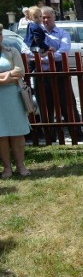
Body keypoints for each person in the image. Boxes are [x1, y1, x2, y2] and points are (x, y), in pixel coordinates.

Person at [39, 6, 83, 139]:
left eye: (48, 17)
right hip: (42, 74)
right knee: (45, 106)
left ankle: (77, 134)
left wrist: (43, 59)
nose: (46, 20)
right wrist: (43, 58)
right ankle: (49, 136)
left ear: (54, 17)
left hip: (60, 72)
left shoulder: (62, 33)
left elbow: (63, 52)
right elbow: (29, 52)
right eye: (43, 17)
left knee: (67, 103)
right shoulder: (36, 33)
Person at [0, 26, 31, 178]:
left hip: (14, 98)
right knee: (1, 135)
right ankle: (7, 168)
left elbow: (20, 72)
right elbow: (13, 74)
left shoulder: (12, 51)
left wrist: (2, 78)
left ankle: (20, 165)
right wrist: (7, 77)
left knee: (18, 133)